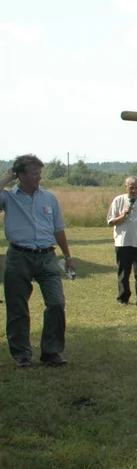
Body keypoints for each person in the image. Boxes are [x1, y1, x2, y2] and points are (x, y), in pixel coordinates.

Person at [0, 155, 75, 368]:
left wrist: (68, 257)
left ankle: (51, 351)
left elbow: (58, 229)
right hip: (19, 256)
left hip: (47, 257)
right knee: (17, 305)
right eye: (34, 174)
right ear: (20, 175)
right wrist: (7, 178)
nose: (38, 178)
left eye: (39, 173)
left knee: (56, 303)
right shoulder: (7, 197)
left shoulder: (49, 198)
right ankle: (22, 354)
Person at [107, 176, 137, 310]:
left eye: (136, 187)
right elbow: (110, 222)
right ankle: (123, 297)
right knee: (123, 273)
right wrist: (123, 216)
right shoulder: (118, 201)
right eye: (131, 187)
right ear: (126, 187)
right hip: (123, 243)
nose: (134, 190)